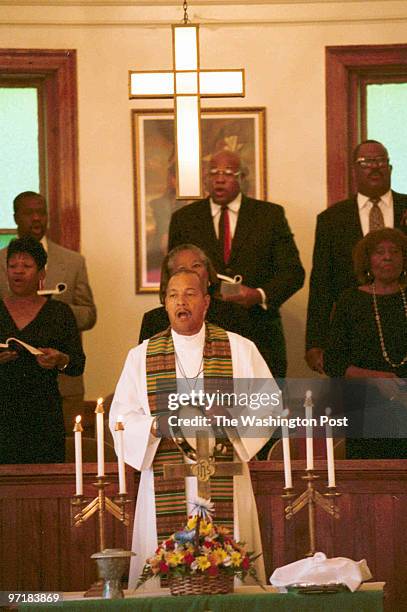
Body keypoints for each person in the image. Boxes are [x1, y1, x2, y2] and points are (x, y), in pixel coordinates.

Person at [110, 269, 280, 588]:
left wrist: (230, 417)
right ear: (164, 303)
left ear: (206, 302)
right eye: (173, 295)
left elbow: (269, 401)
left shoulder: (239, 349)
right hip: (165, 474)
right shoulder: (141, 356)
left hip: (224, 470)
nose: (181, 301)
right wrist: (155, 425)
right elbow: (120, 416)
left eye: (190, 294)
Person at [168, 150, 305, 378]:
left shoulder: (269, 215)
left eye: (228, 173)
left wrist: (259, 295)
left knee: (263, 406)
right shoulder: (185, 219)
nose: (219, 179)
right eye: (213, 172)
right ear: (205, 179)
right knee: (206, 407)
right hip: (203, 333)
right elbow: (171, 275)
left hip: (259, 330)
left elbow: (293, 272)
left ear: (243, 178)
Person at [306, 140, 407, 374]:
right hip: (352, 332)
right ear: (354, 169)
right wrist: (314, 342)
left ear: (390, 168)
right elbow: (321, 283)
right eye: (366, 162)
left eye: (381, 161)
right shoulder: (331, 219)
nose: (375, 167)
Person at [0, 191, 96, 431]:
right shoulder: (1, 260)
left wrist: (54, 311)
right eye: (28, 213)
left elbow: (89, 313)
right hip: (6, 396)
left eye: (41, 212)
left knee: (64, 458)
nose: (36, 219)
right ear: (15, 217)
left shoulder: (72, 261)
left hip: (61, 390)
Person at [0, 237, 85, 463]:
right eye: (12, 266)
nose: (18, 272)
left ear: (41, 274)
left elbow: (77, 364)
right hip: (3, 411)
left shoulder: (59, 313)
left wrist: (59, 359)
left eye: (26, 266)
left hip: (43, 414)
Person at [324, 228, 407, 457]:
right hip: (365, 410)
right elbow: (334, 363)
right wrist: (376, 378)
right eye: (380, 252)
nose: (388, 257)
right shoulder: (350, 301)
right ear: (367, 260)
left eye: (395, 251)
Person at [139, 243, 252, 342]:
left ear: (208, 272)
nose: (191, 272)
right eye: (182, 269)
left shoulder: (235, 314)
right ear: (170, 278)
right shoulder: (153, 321)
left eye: (196, 266)